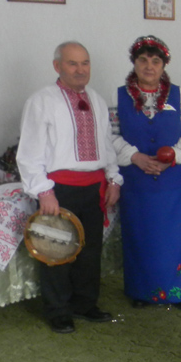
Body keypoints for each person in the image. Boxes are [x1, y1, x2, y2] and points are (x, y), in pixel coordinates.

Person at [17, 41, 122, 333]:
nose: (80, 69)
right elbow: (29, 152)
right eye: (72, 63)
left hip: (93, 188)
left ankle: (84, 304)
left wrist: (113, 178)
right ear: (57, 66)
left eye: (85, 63)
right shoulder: (41, 101)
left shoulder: (97, 100)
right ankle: (58, 310)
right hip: (59, 189)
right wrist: (44, 191)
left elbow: (107, 146)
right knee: (56, 250)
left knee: (90, 251)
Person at [111, 35, 181, 312]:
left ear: (164, 65)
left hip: (176, 183)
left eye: (155, 61)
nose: (149, 66)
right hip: (137, 183)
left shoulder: (180, 95)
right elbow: (110, 136)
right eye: (143, 60)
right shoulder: (118, 97)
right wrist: (135, 157)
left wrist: (173, 156)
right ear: (134, 63)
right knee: (142, 238)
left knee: (178, 237)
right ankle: (143, 291)